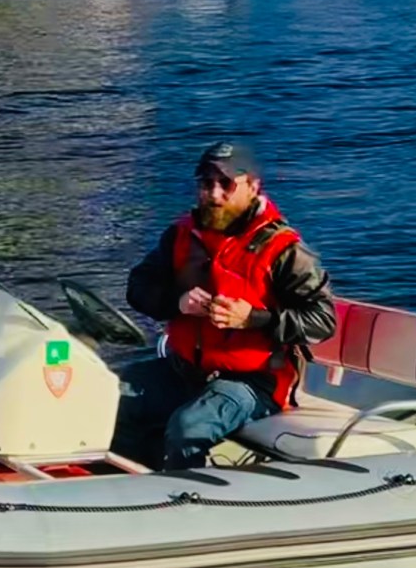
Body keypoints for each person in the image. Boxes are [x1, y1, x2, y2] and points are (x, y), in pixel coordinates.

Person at [118, 141, 335, 469]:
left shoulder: (285, 250)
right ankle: (131, 489)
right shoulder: (180, 235)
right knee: (113, 397)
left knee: (189, 427)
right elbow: (138, 288)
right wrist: (177, 303)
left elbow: (322, 320)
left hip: (255, 382)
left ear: (253, 186)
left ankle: (189, 503)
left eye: (226, 184)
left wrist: (252, 319)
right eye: (206, 183)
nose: (215, 194)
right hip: (186, 370)